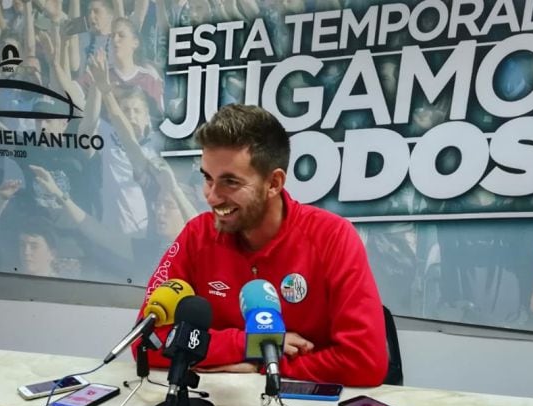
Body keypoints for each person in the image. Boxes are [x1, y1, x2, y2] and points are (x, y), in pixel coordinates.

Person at [139, 104, 388, 386]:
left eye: (230, 182)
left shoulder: (333, 236)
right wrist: (243, 344)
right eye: (208, 178)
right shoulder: (196, 235)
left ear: (274, 183)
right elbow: (143, 341)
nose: (211, 197)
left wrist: (264, 368)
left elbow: (366, 362)